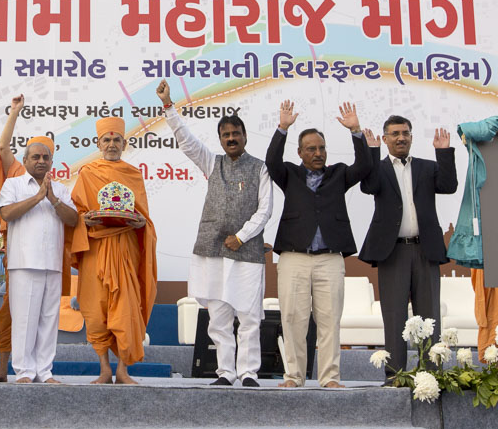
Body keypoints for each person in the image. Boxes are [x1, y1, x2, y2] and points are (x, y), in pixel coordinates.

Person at [158, 82, 272, 386]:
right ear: (221, 140)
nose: (231, 138)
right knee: (219, 317)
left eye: (236, 134)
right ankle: (225, 372)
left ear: (245, 136)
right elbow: (187, 142)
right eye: (226, 135)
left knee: (248, 316)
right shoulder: (213, 163)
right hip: (212, 250)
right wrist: (169, 107)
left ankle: (248, 373)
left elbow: (265, 210)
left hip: (246, 252)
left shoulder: (260, 168)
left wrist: (242, 236)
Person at [266, 100, 372, 388]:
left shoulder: (339, 174)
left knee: (329, 322)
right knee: (292, 320)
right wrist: (282, 128)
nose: (318, 153)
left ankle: (329, 378)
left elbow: (364, 167)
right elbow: (271, 162)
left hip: (329, 259)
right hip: (294, 258)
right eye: (311, 149)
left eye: (321, 148)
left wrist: (356, 131)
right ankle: (294, 376)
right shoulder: (289, 173)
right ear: (300, 153)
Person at [359, 117, 457, 380]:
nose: (401, 138)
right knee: (394, 316)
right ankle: (395, 376)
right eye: (395, 134)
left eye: (405, 133)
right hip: (393, 253)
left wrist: (444, 152)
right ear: (386, 138)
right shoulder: (377, 169)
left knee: (430, 316)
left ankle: (431, 377)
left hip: (425, 250)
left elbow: (449, 186)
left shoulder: (427, 167)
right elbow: (367, 186)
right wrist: (371, 152)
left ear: (412, 137)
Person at [69, 116, 157, 384]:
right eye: (106, 140)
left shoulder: (133, 174)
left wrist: (142, 223)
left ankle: (123, 370)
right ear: (98, 143)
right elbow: (78, 213)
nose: (111, 144)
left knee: (126, 309)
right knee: (97, 312)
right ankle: (104, 369)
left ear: (124, 143)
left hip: (125, 249)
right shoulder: (87, 173)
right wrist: (86, 219)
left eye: (116, 139)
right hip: (96, 249)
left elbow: (143, 217)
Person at [0, 137, 77, 383]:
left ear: (51, 161)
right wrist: (38, 197)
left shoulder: (60, 188)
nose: (41, 161)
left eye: (45, 158)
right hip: (24, 263)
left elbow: (73, 220)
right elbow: (7, 213)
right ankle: (24, 371)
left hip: (52, 263)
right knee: (24, 320)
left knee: (49, 320)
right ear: (25, 161)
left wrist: (52, 199)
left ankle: (44, 371)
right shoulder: (14, 184)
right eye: (36, 157)